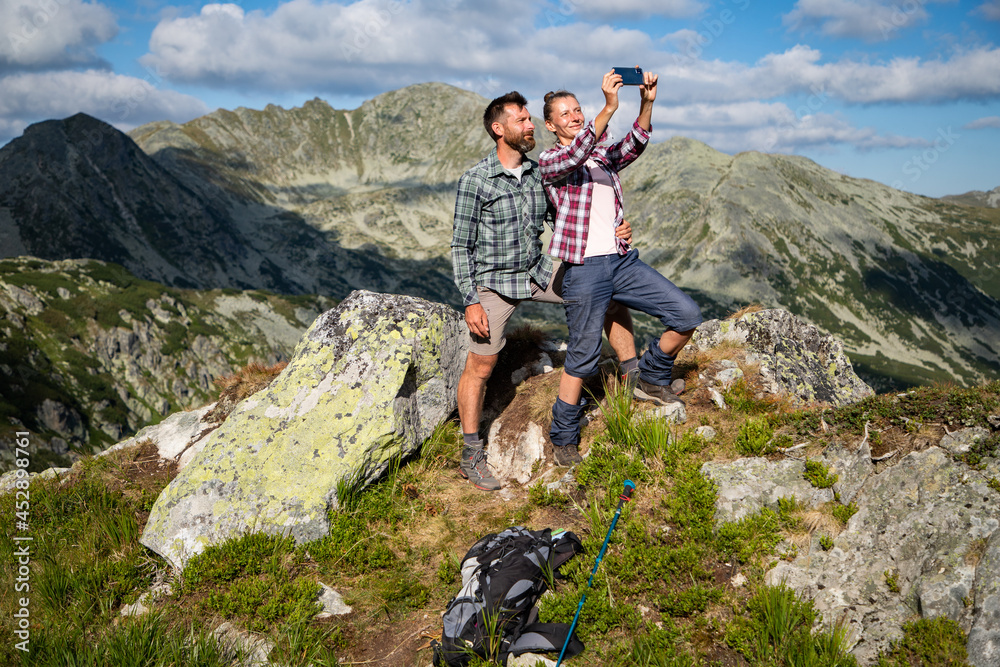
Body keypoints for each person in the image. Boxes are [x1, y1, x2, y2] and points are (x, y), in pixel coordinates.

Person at [452, 91, 640, 489]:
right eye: (521, 120)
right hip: (493, 284)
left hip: (538, 272)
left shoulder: (540, 173)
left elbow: (569, 217)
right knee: (481, 365)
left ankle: (633, 375)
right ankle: (471, 453)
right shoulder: (476, 180)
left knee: (602, 289)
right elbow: (460, 245)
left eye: (529, 119)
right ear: (498, 129)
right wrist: (470, 300)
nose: (530, 125)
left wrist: (615, 229)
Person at [539, 69, 702, 464]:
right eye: (566, 114)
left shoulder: (600, 155)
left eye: (578, 109)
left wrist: (646, 102)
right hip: (584, 267)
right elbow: (576, 152)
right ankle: (563, 436)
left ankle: (650, 375)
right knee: (583, 355)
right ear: (550, 124)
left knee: (686, 314)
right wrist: (608, 107)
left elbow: (634, 144)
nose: (575, 116)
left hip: (621, 259)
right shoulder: (551, 160)